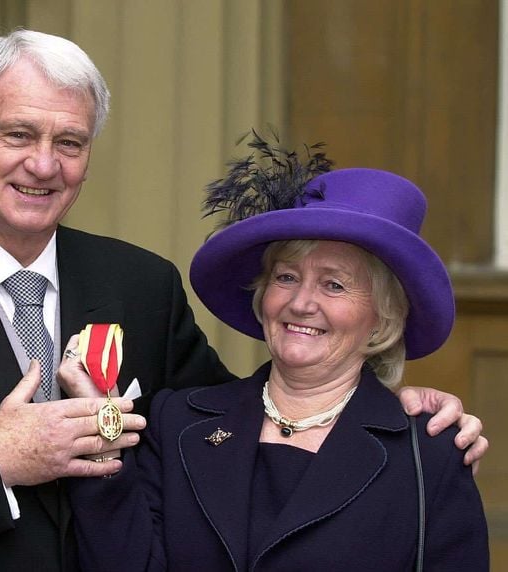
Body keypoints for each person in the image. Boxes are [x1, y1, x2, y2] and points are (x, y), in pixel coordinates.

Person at [0, 30, 484, 572]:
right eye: (18, 133)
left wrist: (376, 403)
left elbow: (233, 425)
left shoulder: (136, 283)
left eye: (69, 142)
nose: (43, 164)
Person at [61, 152, 489, 570]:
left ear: (381, 322)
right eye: (286, 277)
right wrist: (101, 443)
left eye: (334, 286)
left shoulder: (429, 453)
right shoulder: (177, 422)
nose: (301, 303)